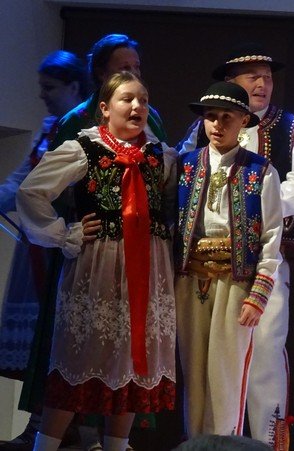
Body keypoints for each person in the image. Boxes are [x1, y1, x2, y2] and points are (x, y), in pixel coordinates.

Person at [16, 71, 177, 451]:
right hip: (99, 267)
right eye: (127, 99)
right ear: (104, 108)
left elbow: (173, 204)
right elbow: (31, 191)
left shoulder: (161, 157)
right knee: (77, 361)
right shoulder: (84, 149)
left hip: (147, 271)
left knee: (134, 365)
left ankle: (117, 446)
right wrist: (63, 233)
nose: (137, 106)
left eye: (143, 99)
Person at [178, 42, 294, 448]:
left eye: (268, 77)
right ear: (231, 82)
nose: (262, 84)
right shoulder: (203, 127)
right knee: (206, 362)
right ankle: (208, 442)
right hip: (205, 268)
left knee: (264, 356)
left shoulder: (293, 127)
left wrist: (257, 202)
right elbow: (183, 177)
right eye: (252, 77)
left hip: (263, 262)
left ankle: (265, 443)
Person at [175, 81, 284, 438]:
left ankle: (222, 445)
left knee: (226, 377)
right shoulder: (184, 166)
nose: (217, 125)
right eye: (211, 117)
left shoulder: (261, 171)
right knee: (193, 376)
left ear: (243, 122)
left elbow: (271, 237)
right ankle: (195, 445)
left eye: (227, 117)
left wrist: (258, 294)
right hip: (190, 281)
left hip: (235, 282)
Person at [0, 50, 90, 451]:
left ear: (74, 86)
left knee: (62, 338)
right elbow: (21, 183)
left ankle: (64, 428)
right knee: (40, 338)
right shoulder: (50, 129)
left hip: (66, 247)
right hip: (39, 247)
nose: (42, 95)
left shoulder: (84, 133)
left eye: (49, 87)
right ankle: (42, 425)